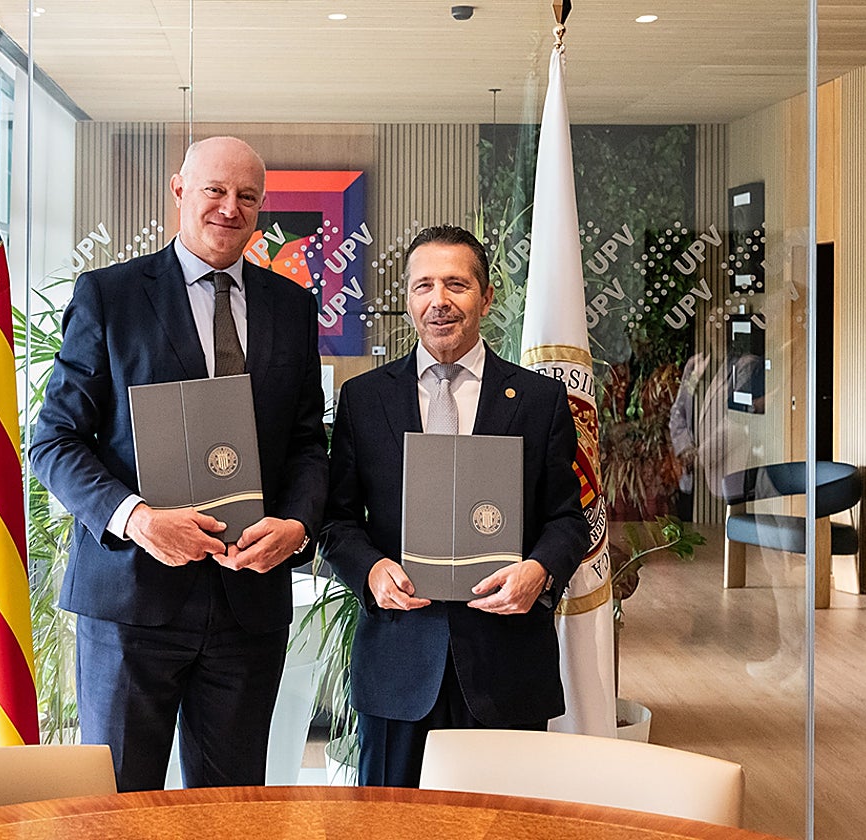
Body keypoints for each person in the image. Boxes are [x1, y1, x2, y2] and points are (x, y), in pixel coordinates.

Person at [30, 136, 329, 792]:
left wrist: (298, 526)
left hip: (248, 604)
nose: (230, 207)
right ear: (179, 191)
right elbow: (52, 440)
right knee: (116, 808)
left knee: (229, 812)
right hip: (130, 601)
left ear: (261, 207)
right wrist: (135, 519)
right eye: (214, 191)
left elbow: (308, 443)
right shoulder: (110, 296)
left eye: (247, 196)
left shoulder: (291, 307)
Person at [320, 224, 589, 787]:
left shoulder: (537, 400)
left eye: (456, 284)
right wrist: (370, 570)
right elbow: (337, 520)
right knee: (389, 828)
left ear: (486, 297)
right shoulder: (366, 399)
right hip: (398, 659)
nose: (438, 301)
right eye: (423, 286)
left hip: (505, 660)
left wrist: (539, 573)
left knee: (501, 824)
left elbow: (567, 518)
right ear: (409, 299)